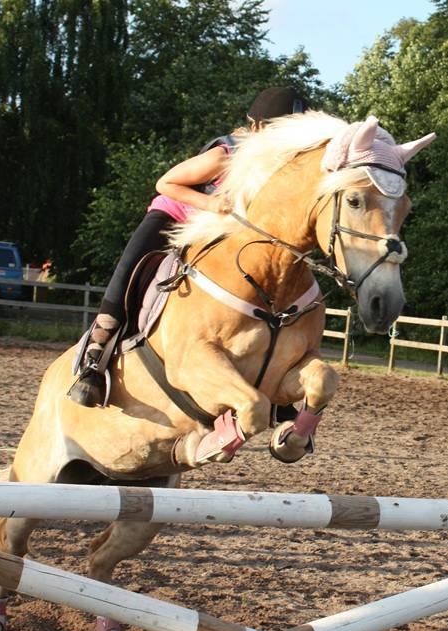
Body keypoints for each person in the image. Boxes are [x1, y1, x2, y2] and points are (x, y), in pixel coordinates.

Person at [68, 85, 309, 407]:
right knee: (130, 270)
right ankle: (95, 360)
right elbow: (165, 182)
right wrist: (210, 204)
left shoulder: (280, 169)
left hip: (220, 234)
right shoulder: (225, 155)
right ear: (258, 127)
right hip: (175, 216)